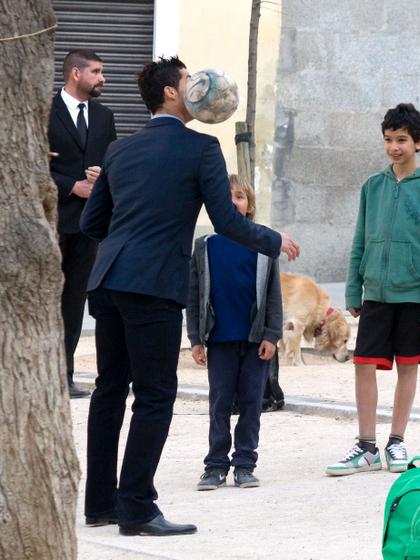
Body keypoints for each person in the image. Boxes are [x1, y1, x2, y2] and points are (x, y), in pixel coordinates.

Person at [80, 56, 300, 537]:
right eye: (187, 79)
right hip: (153, 284)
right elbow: (227, 221)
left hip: (107, 280)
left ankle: (99, 504)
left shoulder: (119, 150)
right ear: (171, 94)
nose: (198, 84)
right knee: (155, 396)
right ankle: (136, 508)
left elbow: (91, 224)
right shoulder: (202, 148)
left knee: (110, 390)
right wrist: (272, 239)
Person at [326, 103, 420, 476]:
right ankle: (366, 446)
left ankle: (397, 440)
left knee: (407, 368)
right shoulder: (372, 186)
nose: (394, 147)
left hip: (414, 297)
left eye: (402, 140)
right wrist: (352, 290)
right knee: (364, 366)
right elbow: (360, 240)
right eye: (389, 140)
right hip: (375, 294)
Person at [187, 175, 282, 491]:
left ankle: (245, 463)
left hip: (255, 340)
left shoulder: (264, 245)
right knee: (219, 403)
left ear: (250, 205)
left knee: (252, 401)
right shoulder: (204, 247)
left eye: (240, 196)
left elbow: (272, 295)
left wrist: (271, 334)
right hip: (219, 340)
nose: (233, 202)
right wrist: (196, 339)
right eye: (226, 196)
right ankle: (215, 465)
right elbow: (194, 295)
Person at [48, 49, 116, 398]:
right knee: (43, 300)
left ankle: (65, 376)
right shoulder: (44, 110)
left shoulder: (105, 117)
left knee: (74, 302)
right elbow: (28, 163)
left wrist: (103, 176)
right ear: (76, 74)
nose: (103, 78)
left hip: (88, 227)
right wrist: (72, 185)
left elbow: (114, 163)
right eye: (97, 72)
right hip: (48, 222)